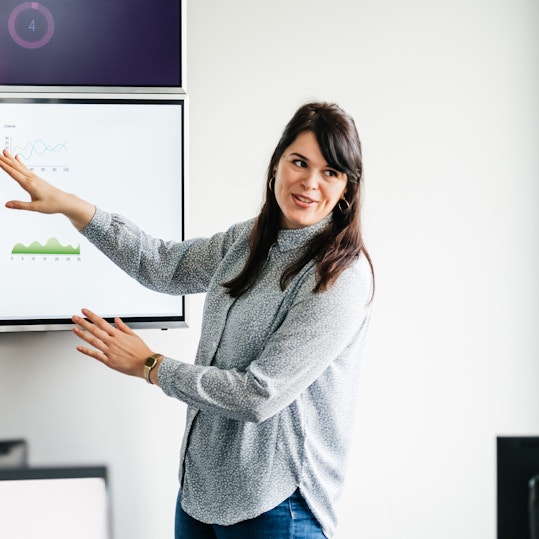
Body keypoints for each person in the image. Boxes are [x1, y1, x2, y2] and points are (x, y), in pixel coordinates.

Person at [0, 101, 374, 539]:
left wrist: (152, 366)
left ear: (347, 187)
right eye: (299, 162)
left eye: (330, 172)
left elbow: (259, 394)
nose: (310, 183)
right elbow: (162, 266)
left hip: (277, 505)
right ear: (276, 165)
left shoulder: (339, 277)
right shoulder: (247, 240)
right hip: (199, 494)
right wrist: (73, 207)